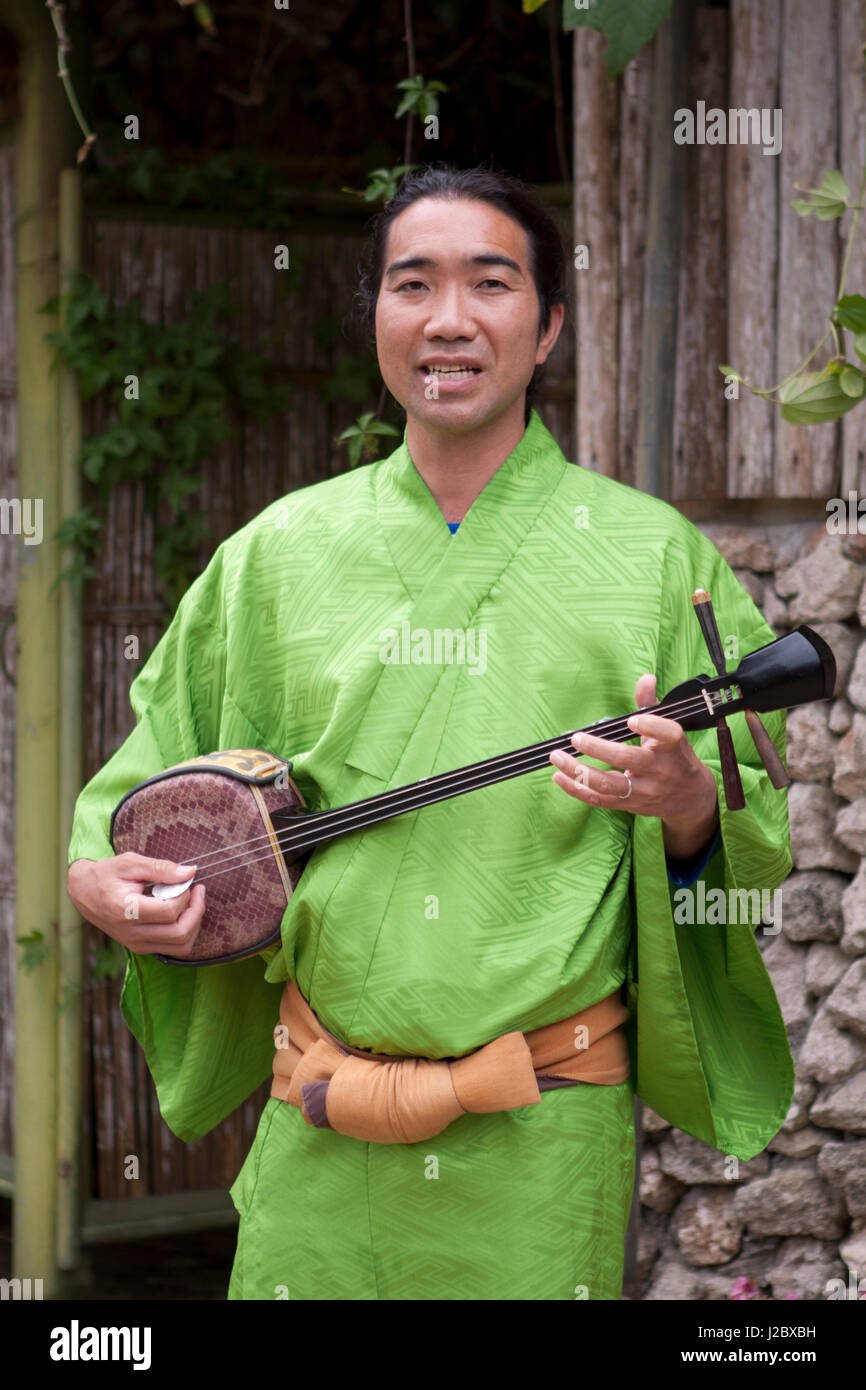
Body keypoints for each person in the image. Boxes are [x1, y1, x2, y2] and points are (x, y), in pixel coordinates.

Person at [66, 163, 794, 1301]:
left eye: (490, 283)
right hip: (318, 1117)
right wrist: (104, 883)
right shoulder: (277, 554)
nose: (448, 319)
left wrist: (687, 803)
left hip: (539, 1129)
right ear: (374, 316)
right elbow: (142, 780)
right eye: (412, 284)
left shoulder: (649, 555)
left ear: (547, 324)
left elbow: (746, 831)